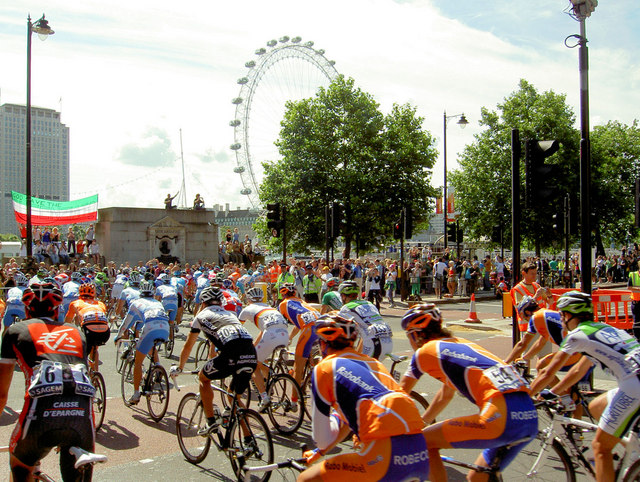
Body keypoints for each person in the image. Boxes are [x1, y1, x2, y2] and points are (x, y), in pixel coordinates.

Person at [400, 303, 537, 481]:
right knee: (477, 477)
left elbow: (399, 394)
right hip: (529, 416)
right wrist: (423, 422)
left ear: (417, 334)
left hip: (499, 418)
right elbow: (444, 395)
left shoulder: (424, 352)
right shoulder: (459, 345)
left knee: (424, 442)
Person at [297, 313, 429, 482]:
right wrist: (321, 453)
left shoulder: (324, 368)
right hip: (420, 452)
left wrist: (328, 434)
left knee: (306, 479)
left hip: (384, 459)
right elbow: (351, 421)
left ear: (323, 344)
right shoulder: (373, 363)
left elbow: (321, 439)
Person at [529, 291, 640, 482]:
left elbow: (547, 372)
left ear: (571, 315)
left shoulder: (577, 335)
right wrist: (552, 393)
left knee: (600, 447)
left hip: (634, 387)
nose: (561, 320)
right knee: (596, 408)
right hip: (634, 381)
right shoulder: (602, 329)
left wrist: (525, 395)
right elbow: (577, 372)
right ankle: (633, 448)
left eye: (563, 315)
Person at [0, 282, 96, 481]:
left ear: (27, 309)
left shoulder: (15, 330)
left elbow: (1, 394)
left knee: (20, 464)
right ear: (57, 310)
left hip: (39, 415)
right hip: (82, 416)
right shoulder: (77, 333)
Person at [170, 286, 257, 435]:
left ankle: (210, 422)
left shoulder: (201, 316)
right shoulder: (230, 314)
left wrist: (180, 367)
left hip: (231, 352)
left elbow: (188, 346)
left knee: (203, 378)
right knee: (233, 397)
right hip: (251, 353)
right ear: (221, 303)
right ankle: (249, 439)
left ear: (203, 303)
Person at [114, 280, 170, 405]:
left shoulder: (136, 302)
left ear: (141, 293)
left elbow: (126, 323)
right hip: (165, 328)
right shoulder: (157, 302)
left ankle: (135, 393)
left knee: (138, 361)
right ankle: (157, 367)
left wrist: (118, 336)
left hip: (150, 327)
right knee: (152, 346)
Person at [238, 286, 289, 411]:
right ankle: (269, 373)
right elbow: (263, 331)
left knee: (253, 363)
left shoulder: (247, 309)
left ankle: (264, 397)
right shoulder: (270, 307)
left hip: (270, 335)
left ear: (249, 299)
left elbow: (237, 330)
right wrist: (253, 346)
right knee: (259, 357)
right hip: (284, 334)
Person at [278, 282, 319, 395]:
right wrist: (291, 337)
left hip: (308, 330)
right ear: (294, 292)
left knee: (297, 367)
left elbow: (277, 323)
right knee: (309, 354)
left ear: (282, 294)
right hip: (320, 327)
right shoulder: (302, 302)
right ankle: (312, 375)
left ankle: (294, 401)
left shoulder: (283, 304)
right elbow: (299, 323)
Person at [338, 280, 393, 360]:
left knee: (358, 367)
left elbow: (346, 336)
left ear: (343, 296)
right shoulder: (369, 304)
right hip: (388, 341)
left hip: (373, 344)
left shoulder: (346, 308)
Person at [65, 281, 110, 371]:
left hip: (89, 330)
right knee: (95, 348)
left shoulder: (75, 303)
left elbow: (67, 322)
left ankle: (84, 373)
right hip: (105, 333)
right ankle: (95, 373)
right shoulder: (101, 304)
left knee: (82, 351)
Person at [510, 261, 553, 332]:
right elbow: (521, 309)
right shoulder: (517, 289)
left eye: (535, 273)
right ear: (524, 273)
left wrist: (549, 296)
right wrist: (535, 297)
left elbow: (549, 302)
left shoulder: (537, 286)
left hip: (540, 324)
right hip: (527, 327)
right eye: (532, 274)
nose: (534, 276)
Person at [628, 266, 640, 341]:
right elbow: (629, 287)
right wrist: (638, 289)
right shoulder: (633, 275)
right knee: (637, 321)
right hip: (636, 302)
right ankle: (637, 337)